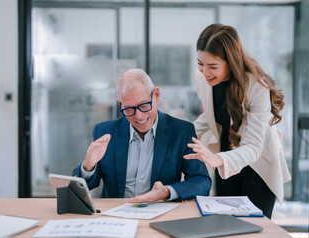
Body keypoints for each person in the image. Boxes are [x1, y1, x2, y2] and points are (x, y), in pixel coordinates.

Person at [184, 23, 291, 218]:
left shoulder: (257, 86)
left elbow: (253, 147)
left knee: (254, 229)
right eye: (200, 63)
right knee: (224, 225)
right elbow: (210, 117)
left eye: (213, 66)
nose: (205, 72)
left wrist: (217, 159)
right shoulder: (203, 78)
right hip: (227, 162)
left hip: (258, 166)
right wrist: (180, 136)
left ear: (231, 61)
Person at [73, 68, 211, 202]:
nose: (138, 116)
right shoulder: (105, 132)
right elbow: (81, 188)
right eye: (128, 109)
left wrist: (166, 192)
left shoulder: (181, 131)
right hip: (115, 214)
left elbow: (201, 182)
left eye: (144, 105)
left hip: (160, 212)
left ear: (156, 95)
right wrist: (88, 166)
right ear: (120, 105)